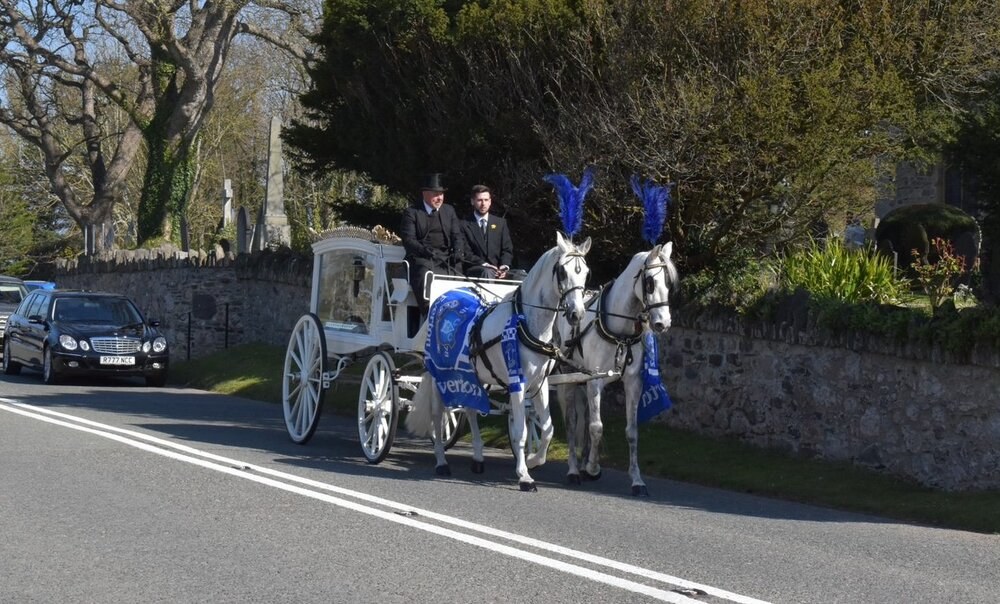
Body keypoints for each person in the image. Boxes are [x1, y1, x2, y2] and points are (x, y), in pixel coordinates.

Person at [399, 173, 465, 312]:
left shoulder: (449, 210)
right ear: (425, 194)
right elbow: (408, 240)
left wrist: (458, 251)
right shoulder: (412, 212)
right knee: (424, 272)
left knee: (459, 271)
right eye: (436, 194)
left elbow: (457, 236)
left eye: (441, 194)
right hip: (422, 257)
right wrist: (425, 251)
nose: (439, 198)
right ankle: (429, 312)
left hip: (446, 257)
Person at [461, 184, 516, 280]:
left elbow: (507, 249)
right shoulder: (463, 224)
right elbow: (466, 253)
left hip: (499, 270)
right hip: (476, 269)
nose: (483, 204)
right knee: (487, 272)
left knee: (521, 276)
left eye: (486, 200)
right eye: (479, 200)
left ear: (490, 202)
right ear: (472, 201)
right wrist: (485, 264)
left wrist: (504, 266)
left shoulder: (500, 223)